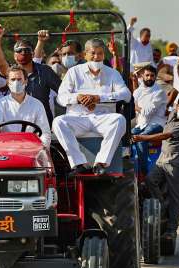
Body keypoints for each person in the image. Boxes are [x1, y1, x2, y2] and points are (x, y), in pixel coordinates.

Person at [52, 38, 131, 175]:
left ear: (104, 55)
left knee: (119, 120)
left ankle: (101, 162)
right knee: (58, 122)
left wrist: (99, 98)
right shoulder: (74, 72)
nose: (96, 57)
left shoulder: (112, 73)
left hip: (102, 118)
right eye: (93, 53)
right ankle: (79, 163)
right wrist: (78, 98)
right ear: (85, 55)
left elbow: (126, 95)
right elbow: (61, 97)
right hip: (78, 118)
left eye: (100, 53)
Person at [132, 96, 179, 238]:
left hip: (175, 163)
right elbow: (167, 101)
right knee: (149, 180)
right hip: (161, 161)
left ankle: (172, 230)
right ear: (177, 106)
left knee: (175, 197)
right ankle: (161, 205)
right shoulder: (173, 116)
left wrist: (143, 138)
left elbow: (166, 135)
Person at [0, 26, 61, 125]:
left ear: (33, 54)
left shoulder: (45, 71)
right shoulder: (11, 72)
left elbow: (62, 90)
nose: (23, 53)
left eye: (27, 50)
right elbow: (1, 64)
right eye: (19, 51)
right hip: (14, 124)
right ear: (14, 55)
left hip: (41, 123)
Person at [0, 66, 51, 148]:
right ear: (7, 82)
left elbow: (45, 132)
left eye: (19, 79)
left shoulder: (37, 104)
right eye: (13, 79)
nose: (16, 82)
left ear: (26, 81)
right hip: (6, 148)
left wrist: (40, 148)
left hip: (30, 148)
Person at [132, 65, 167, 176]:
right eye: (147, 75)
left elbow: (148, 112)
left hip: (156, 123)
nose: (149, 78)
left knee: (142, 137)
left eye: (152, 76)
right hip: (141, 124)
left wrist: (135, 106)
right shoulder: (138, 91)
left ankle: (144, 173)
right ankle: (134, 170)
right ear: (142, 76)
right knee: (127, 137)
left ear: (155, 77)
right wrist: (136, 106)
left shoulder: (159, 92)